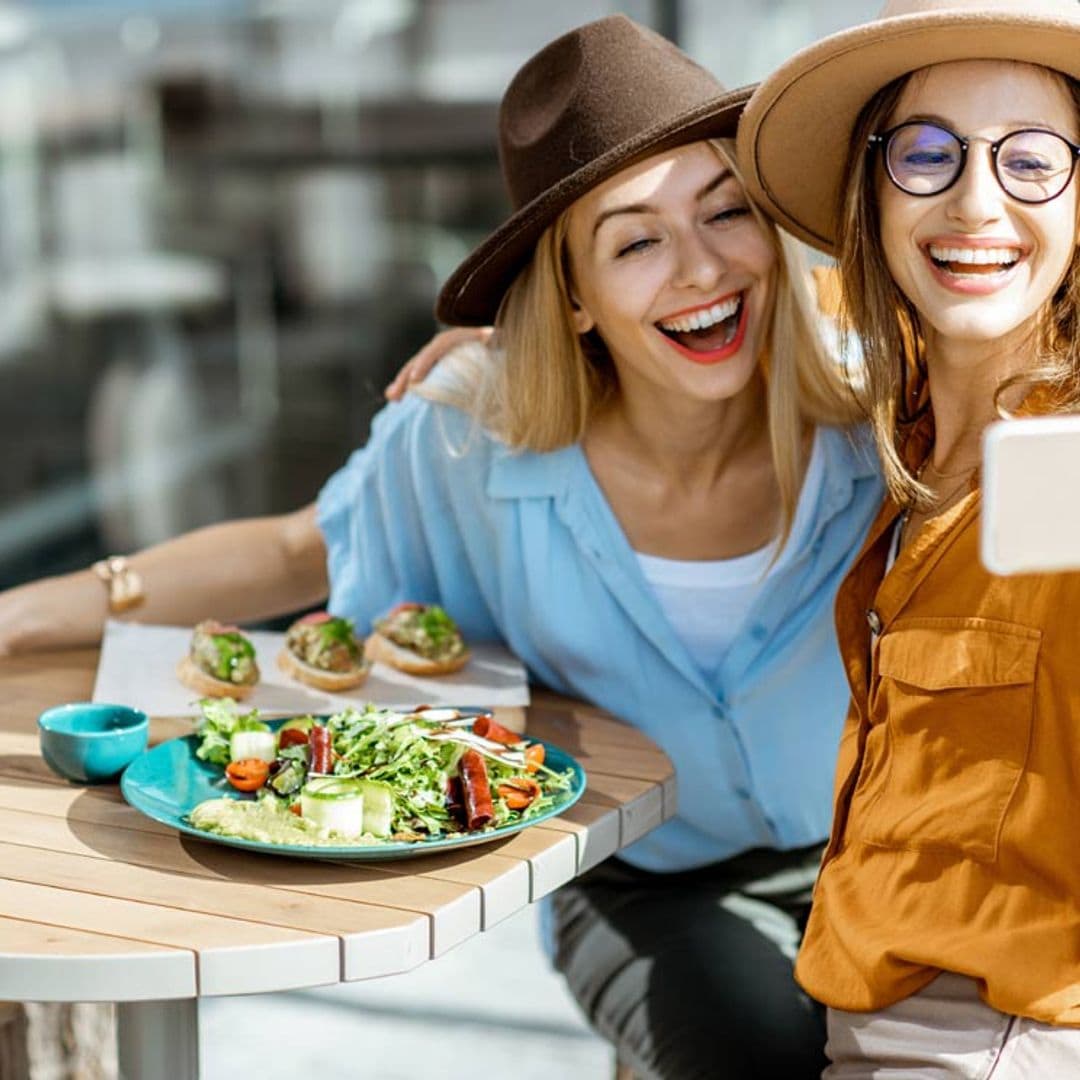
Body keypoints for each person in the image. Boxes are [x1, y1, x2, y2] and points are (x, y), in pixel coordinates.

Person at [0, 17, 884, 1077]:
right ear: (571, 296)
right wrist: (32, 608)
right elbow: (299, 550)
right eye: (635, 240)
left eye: (726, 210)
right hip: (651, 885)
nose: (701, 269)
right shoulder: (469, 434)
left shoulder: (883, 415)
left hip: (887, 852)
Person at [739, 0, 1080, 1074]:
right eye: (927, 154)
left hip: (994, 1036)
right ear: (872, 195)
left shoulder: (1058, 465)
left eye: (1033, 160)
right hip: (864, 989)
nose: (977, 200)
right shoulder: (910, 428)